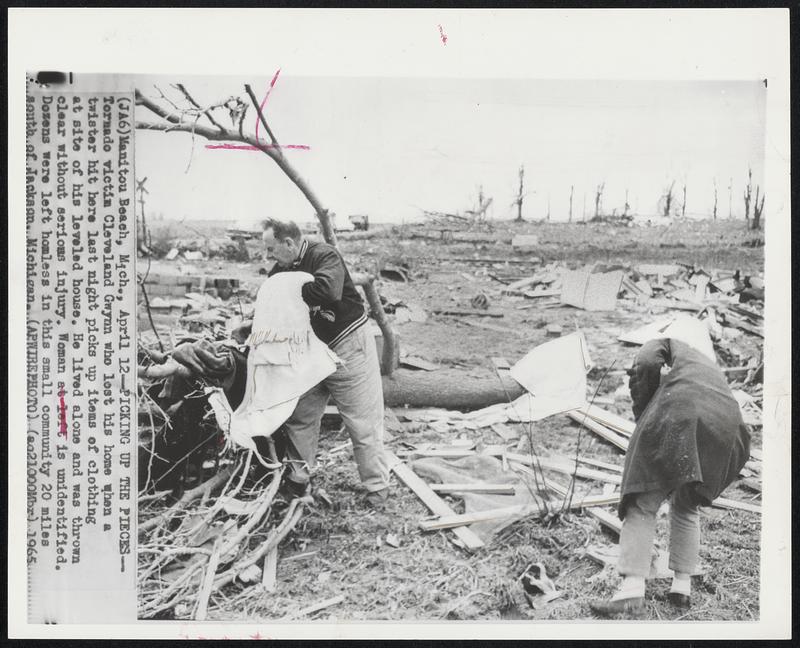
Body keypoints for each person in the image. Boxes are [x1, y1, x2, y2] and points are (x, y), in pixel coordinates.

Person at [589, 336, 750, 618]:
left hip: (685, 416)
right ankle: (681, 588)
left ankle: (631, 590)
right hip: (730, 432)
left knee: (642, 501)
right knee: (687, 505)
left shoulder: (665, 343)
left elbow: (647, 361)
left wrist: (644, 411)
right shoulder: (703, 364)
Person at [256, 218, 391, 505]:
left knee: (361, 419)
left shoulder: (323, 255)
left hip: (347, 344)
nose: (269, 256)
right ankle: (299, 479)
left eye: (271, 249)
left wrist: (291, 291)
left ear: (289, 243)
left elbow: (329, 290)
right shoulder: (282, 269)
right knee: (300, 414)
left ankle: (377, 487)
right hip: (311, 350)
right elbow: (273, 301)